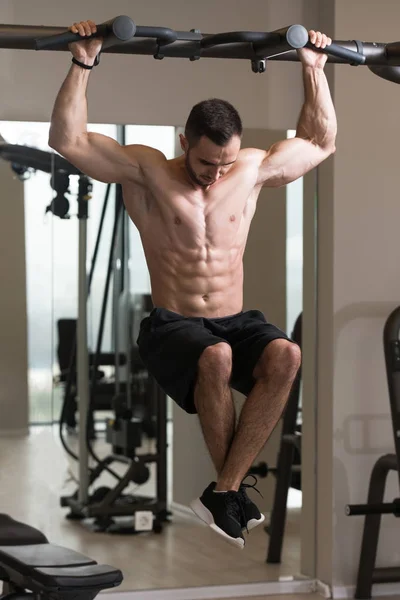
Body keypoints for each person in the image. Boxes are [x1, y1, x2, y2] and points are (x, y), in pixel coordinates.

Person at [49, 20, 336, 550]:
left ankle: (223, 490)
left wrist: (314, 72)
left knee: (287, 356)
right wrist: (83, 62)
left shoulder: (249, 170)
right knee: (218, 357)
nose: (216, 174)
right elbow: (67, 139)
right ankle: (228, 493)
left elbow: (319, 142)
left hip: (233, 316)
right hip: (172, 323)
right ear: (185, 142)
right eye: (206, 162)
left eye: (225, 163)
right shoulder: (148, 172)